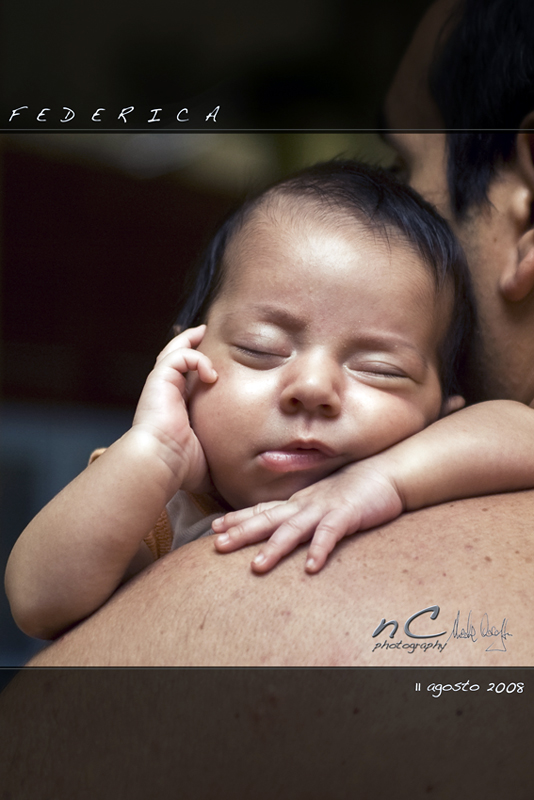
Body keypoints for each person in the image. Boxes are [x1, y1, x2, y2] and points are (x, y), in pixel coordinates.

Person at [24, 0, 534, 667]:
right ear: (186, 359)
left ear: (442, 409)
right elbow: (37, 599)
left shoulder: (428, 459)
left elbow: (521, 429)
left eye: (379, 368)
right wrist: (152, 451)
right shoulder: (164, 493)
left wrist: (384, 481)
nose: (314, 388)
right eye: (262, 351)